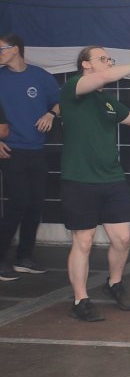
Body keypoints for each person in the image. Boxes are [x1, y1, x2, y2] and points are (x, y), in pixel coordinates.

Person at [61, 46, 130, 322]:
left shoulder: (107, 100)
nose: (108, 62)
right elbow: (103, 78)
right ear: (85, 64)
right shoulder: (74, 87)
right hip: (80, 179)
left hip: (112, 179)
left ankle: (114, 283)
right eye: (102, 59)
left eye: (110, 59)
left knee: (123, 239)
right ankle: (80, 300)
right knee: (83, 241)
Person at [0, 33, 60, 279]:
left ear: (16, 49)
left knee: (35, 204)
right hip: (11, 150)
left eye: (2, 49)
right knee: (17, 203)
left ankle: (24, 257)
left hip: (37, 150)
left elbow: (61, 102)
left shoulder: (40, 76)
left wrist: (51, 114)